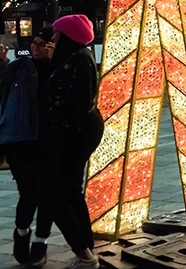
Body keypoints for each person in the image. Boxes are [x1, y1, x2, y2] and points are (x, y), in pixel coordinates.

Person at [38, 15, 103, 269]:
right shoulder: (76, 57)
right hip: (77, 133)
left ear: (68, 36)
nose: (53, 39)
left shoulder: (78, 60)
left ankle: (84, 253)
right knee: (71, 190)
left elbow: (72, 103)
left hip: (74, 136)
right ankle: (86, 248)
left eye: (57, 34)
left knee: (54, 194)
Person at [0, 27, 54, 267]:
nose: (36, 48)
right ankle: (21, 233)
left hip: (48, 141)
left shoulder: (61, 69)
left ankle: (40, 243)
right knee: (29, 193)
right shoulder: (19, 67)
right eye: (34, 43)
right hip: (20, 141)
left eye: (42, 44)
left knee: (47, 194)